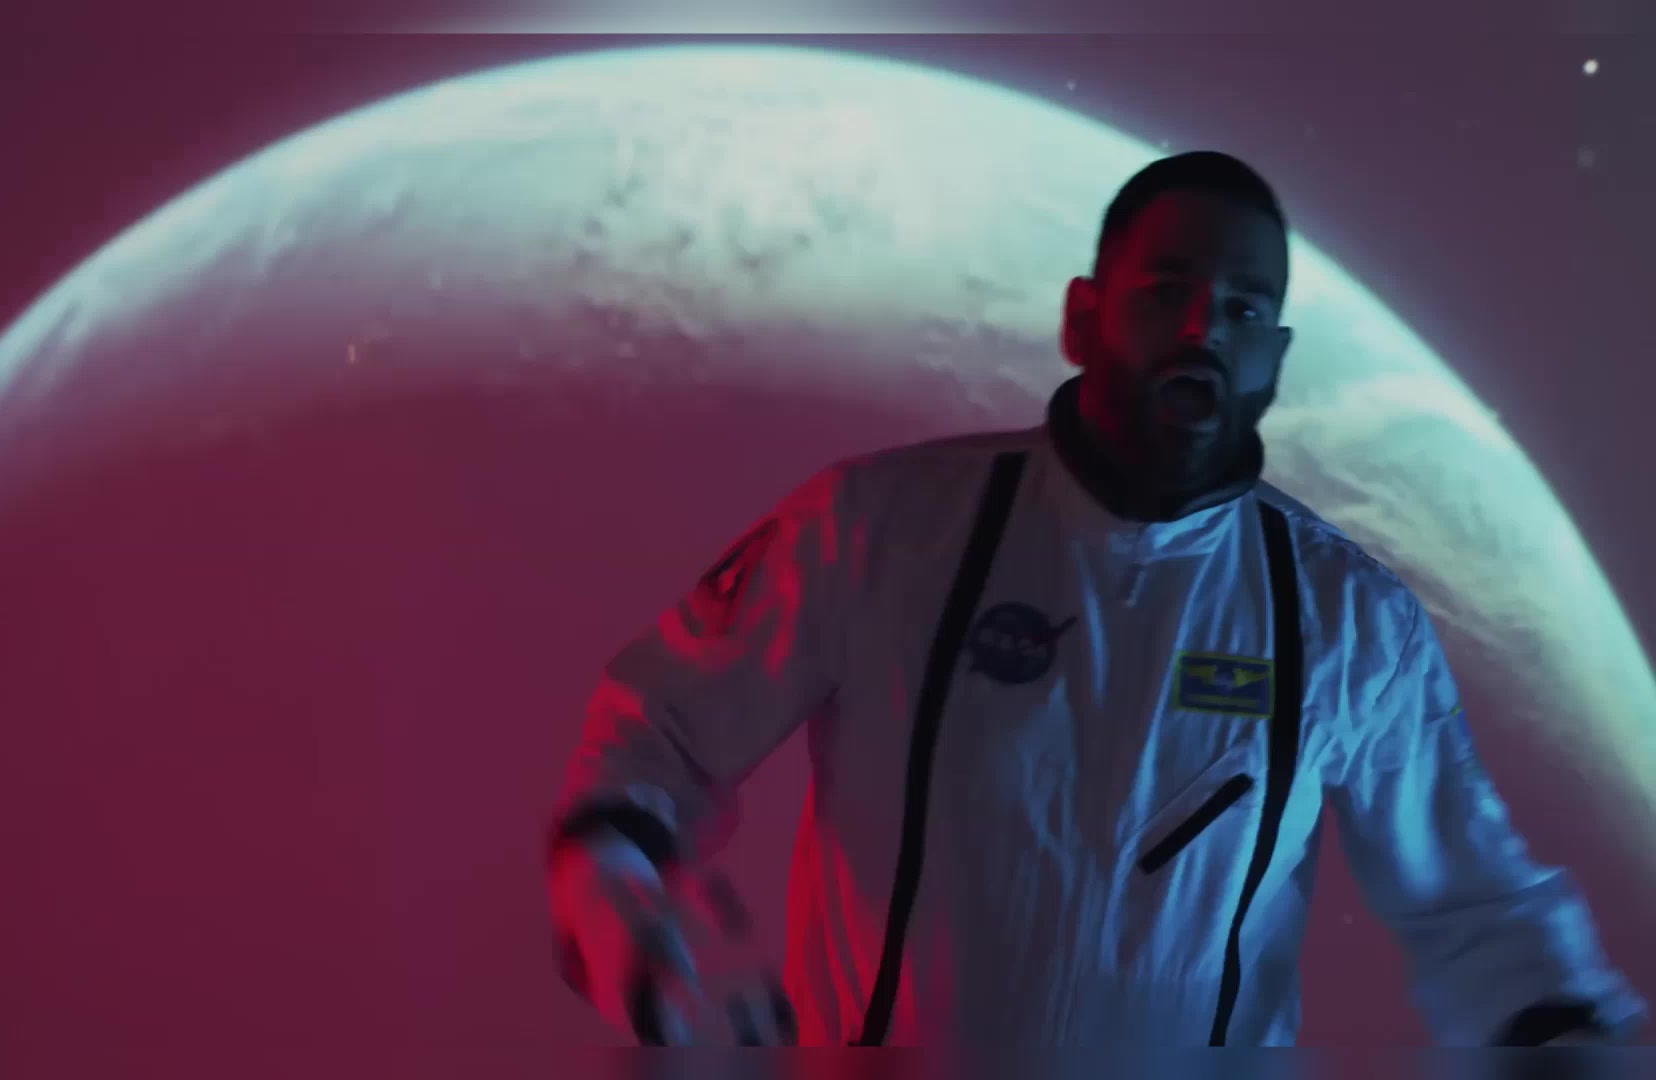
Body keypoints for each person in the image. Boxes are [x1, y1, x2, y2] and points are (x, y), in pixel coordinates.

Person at [543, 150, 1647, 1047]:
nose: (1204, 331)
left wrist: (1568, 1039)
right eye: (1168, 291)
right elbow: (660, 731)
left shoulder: (1350, 624)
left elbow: (1475, 905)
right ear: (1082, 317)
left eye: (1243, 308)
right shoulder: (877, 531)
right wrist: (620, 896)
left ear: (1274, 357)